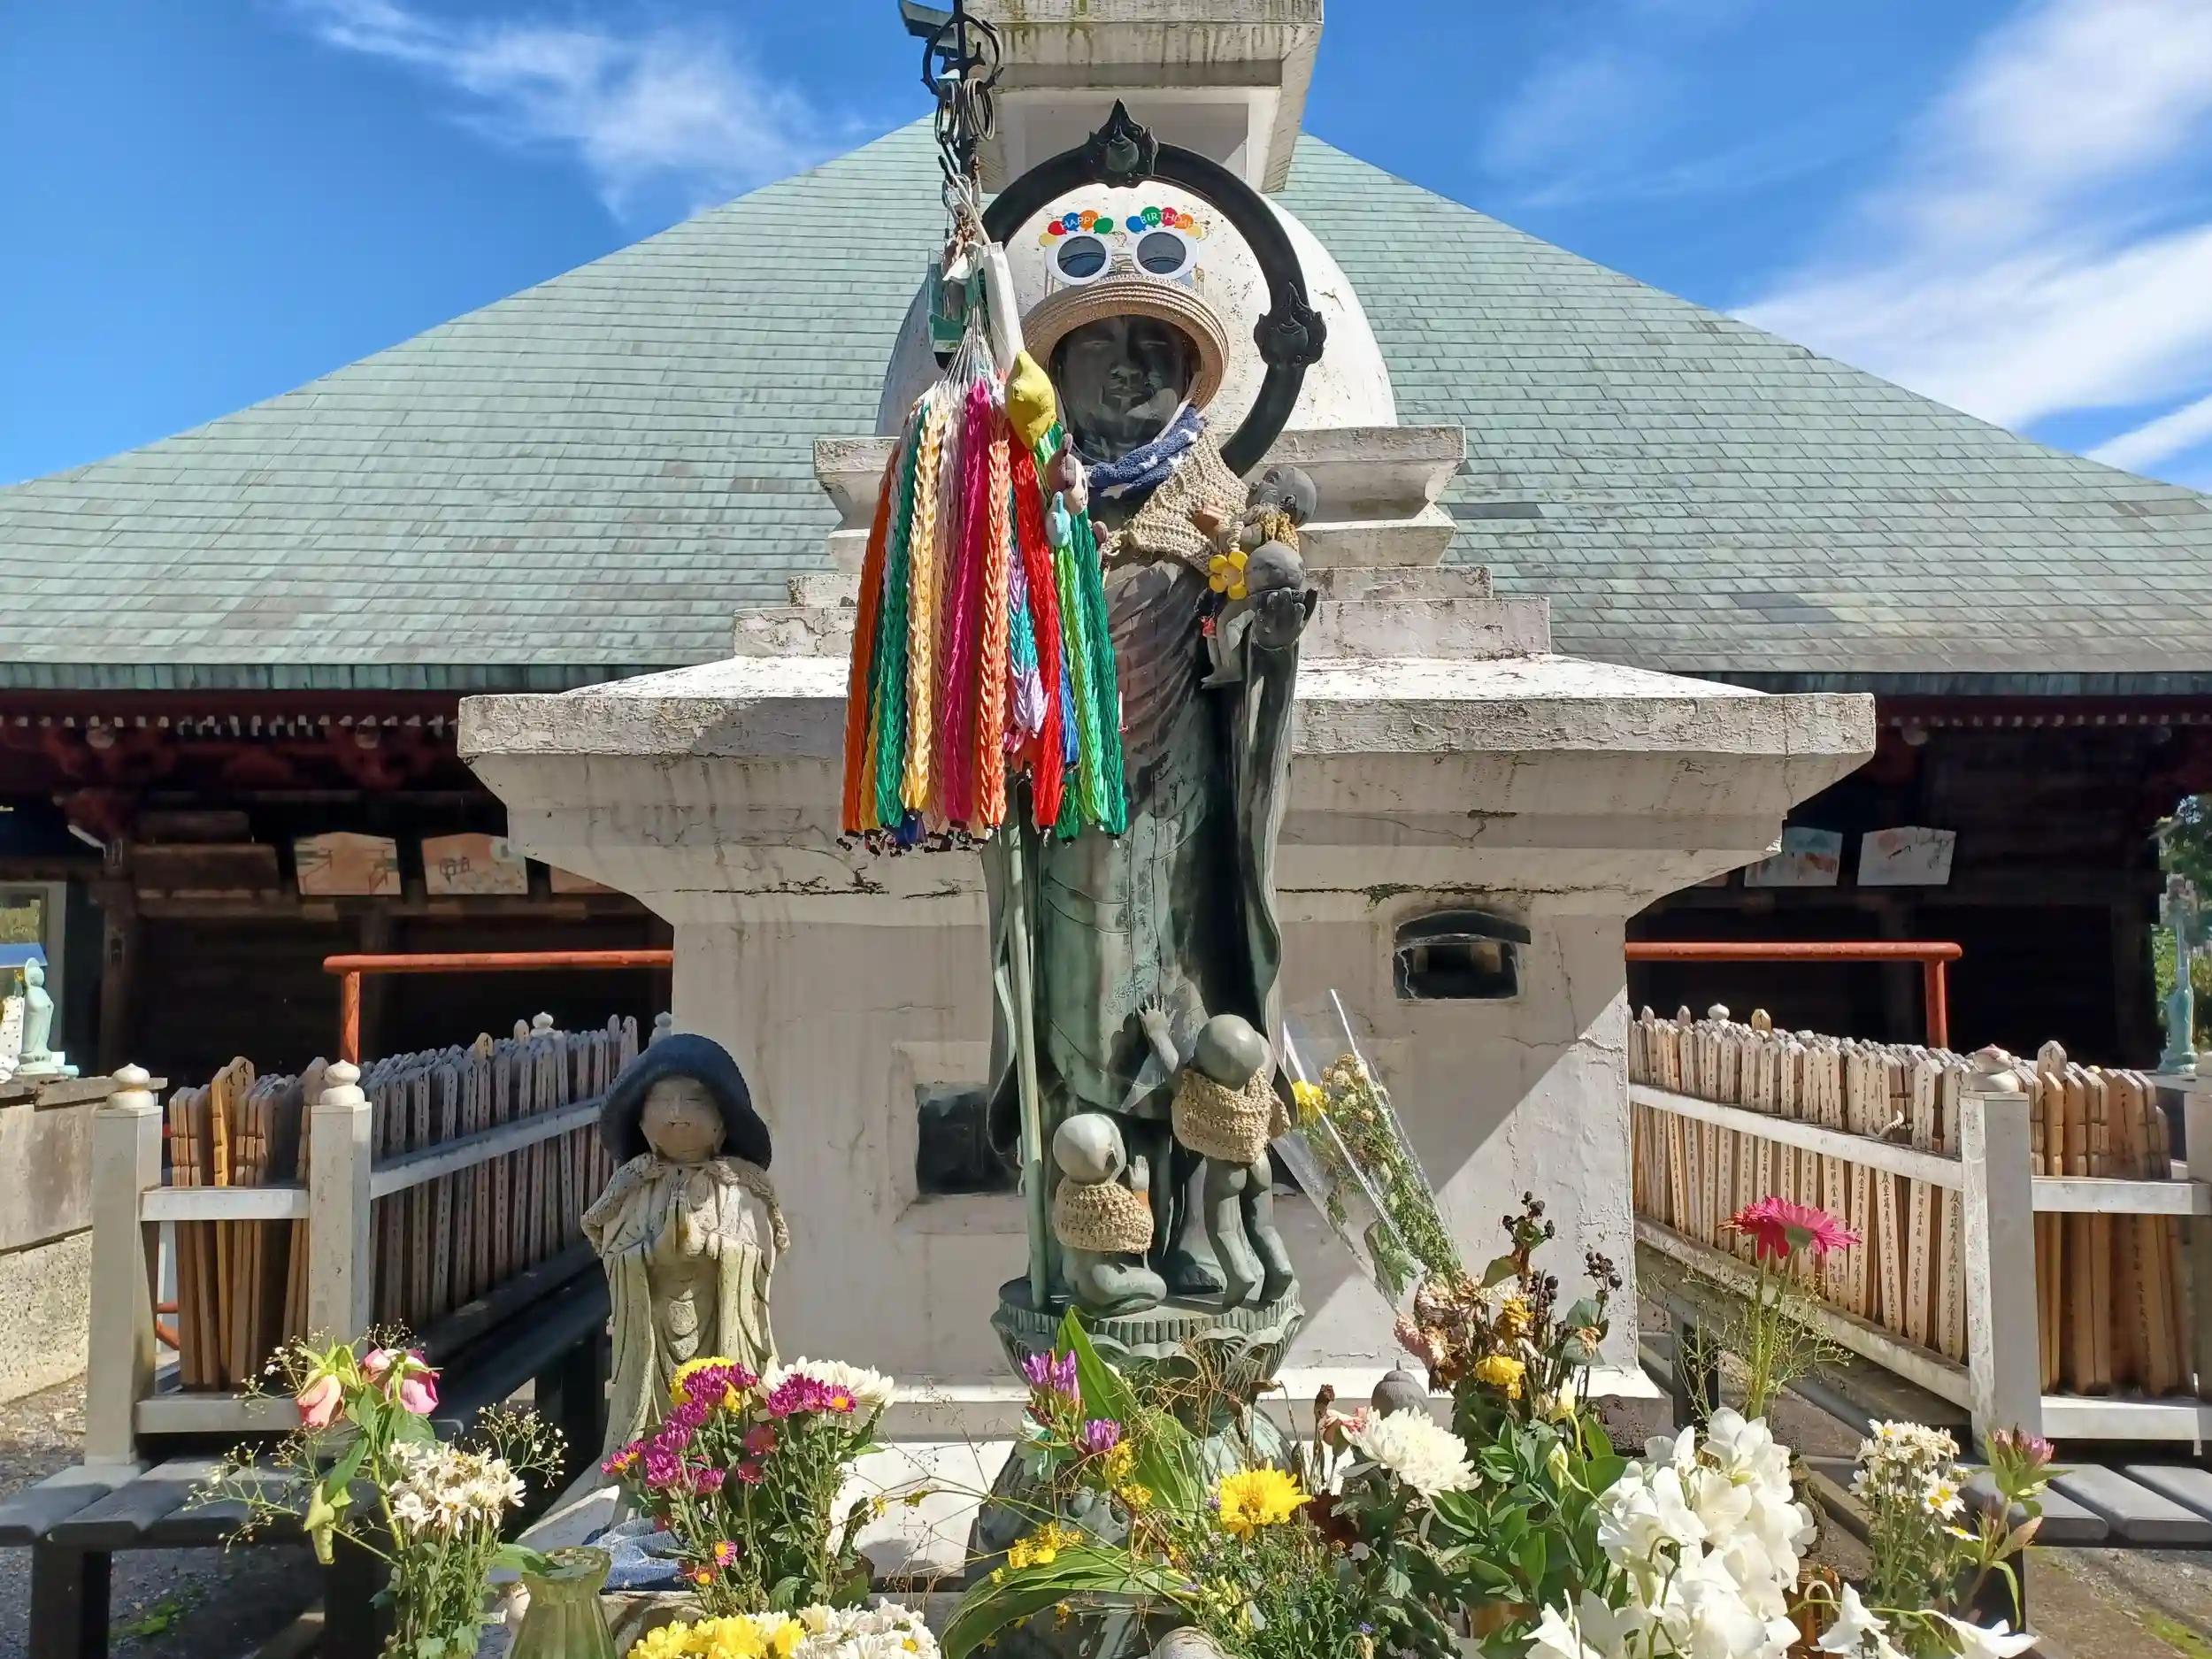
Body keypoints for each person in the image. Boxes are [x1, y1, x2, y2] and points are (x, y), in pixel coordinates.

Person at [583, 1033, 786, 1459]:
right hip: (651, 1340)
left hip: (721, 1330)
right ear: (641, 1122)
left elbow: (760, 1253)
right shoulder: (634, 1187)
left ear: (723, 1123)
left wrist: (711, 1249)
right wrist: (651, 1255)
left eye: (693, 1100)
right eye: (662, 1102)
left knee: (728, 1420)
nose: (676, 1114)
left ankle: (730, 1466)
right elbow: (612, 1255)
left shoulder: (740, 1187)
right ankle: (647, 1465)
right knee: (655, 1431)